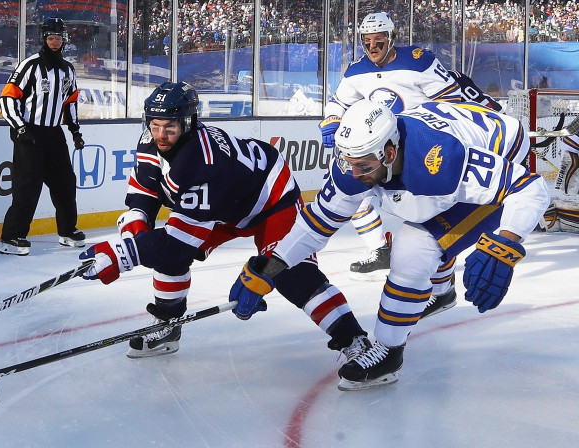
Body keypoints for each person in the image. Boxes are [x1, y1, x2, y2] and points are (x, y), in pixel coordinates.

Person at [232, 99, 549, 390]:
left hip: (502, 146)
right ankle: (441, 288)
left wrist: (505, 243)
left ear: (390, 152)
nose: (355, 175)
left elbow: (529, 188)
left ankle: (388, 351)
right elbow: (315, 226)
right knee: (422, 226)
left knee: (413, 248)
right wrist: (272, 268)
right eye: (350, 163)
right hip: (458, 124)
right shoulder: (353, 165)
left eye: (364, 166)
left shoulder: (440, 161)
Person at [78, 81, 370, 360]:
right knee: (164, 255)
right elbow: (145, 189)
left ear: (189, 123)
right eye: (154, 125)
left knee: (288, 271)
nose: (160, 135)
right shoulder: (150, 140)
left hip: (271, 198)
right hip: (226, 204)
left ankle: (356, 341)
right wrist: (137, 228)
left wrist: (124, 253)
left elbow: (180, 243)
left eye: (170, 127)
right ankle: (167, 326)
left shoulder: (202, 160)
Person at [318, 12, 462, 282]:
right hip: (379, 147)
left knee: (431, 211)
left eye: (379, 41)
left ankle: (443, 271)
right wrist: (331, 121)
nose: (372, 48)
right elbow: (338, 102)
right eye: (367, 42)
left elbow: (452, 102)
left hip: (419, 148)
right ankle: (379, 250)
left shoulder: (420, 61)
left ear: (392, 38)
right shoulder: (357, 70)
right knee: (354, 190)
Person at [0, 17, 86, 255]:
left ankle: (67, 231)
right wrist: (19, 127)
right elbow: (8, 97)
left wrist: (75, 130)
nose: (55, 42)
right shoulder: (30, 65)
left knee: (65, 184)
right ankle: (11, 237)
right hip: (30, 133)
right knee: (28, 187)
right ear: (44, 39)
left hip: (54, 134)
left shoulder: (68, 69)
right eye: (51, 38)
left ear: (64, 41)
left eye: (59, 38)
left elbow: (70, 102)